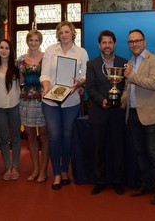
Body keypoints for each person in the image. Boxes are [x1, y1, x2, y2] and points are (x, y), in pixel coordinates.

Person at [40, 21, 88, 190]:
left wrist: (79, 84)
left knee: (68, 136)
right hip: (50, 99)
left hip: (71, 99)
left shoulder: (81, 52)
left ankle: (65, 169)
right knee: (54, 136)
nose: (64, 35)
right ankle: (57, 174)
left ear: (72, 33)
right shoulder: (50, 50)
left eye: (67, 32)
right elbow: (44, 73)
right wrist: (46, 88)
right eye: (61, 32)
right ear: (58, 34)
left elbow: (84, 76)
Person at [123, 29, 155, 205]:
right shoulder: (129, 63)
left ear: (144, 42)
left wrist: (132, 76)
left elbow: (154, 83)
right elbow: (128, 88)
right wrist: (121, 101)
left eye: (137, 40)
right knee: (140, 152)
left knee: (154, 153)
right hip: (133, 113)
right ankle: (145, 184)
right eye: (131, 41)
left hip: (151, 115)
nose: (134, 44)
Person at [86, 30, 128, 195]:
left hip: (118, 112)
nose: (107, 46)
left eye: (110, 42)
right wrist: (101, 100)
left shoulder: (124, 63)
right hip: (99, 111)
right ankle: (100, 180)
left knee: (118, 147)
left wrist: (122, 99)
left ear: (114, 44)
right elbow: (90, 88)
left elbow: (126, 86)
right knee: (99, 148)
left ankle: (117, 180)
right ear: (99, 45)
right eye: (104, 43)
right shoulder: (92, 64)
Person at [17, 30, 49, 183]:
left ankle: (43, 170)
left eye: (36, 40)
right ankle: (36, 168)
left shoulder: (47, 58)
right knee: (30, 136)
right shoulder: (21, 60)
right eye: (31, 40)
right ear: (27, 41)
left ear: (40, 42)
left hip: (44, 100)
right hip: (26, 101)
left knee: (44, 136)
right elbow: (19, 81)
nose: (33, 43)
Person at [0, 39, 21, 181]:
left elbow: (22, 83)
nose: (4, 50)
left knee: (15, 137)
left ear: (11, 51)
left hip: (15, 106)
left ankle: (15, 166)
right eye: (1, 47)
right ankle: (7, 167)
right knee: (3, 138)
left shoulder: (16, 68)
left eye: (7, 48)